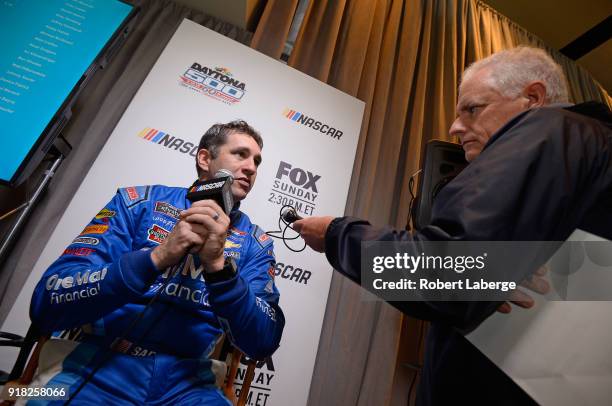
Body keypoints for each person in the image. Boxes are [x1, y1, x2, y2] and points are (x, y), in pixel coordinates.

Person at [293, 47, 612, 405]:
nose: (455, 127)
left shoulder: (550, 128)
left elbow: (449, 274)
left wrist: (336, 234)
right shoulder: (589, 148)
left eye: (473, 109)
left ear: (533, 99)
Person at [29, 120, 284, 405]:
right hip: (96, 365)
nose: (251, 168)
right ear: (204, 158)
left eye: (257, 161)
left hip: (187, 384)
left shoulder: (256, 242)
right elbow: (47, 301)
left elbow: (263, 341)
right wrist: (158, 257)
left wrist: (219, 269)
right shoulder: (138, 202)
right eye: (240, 154)